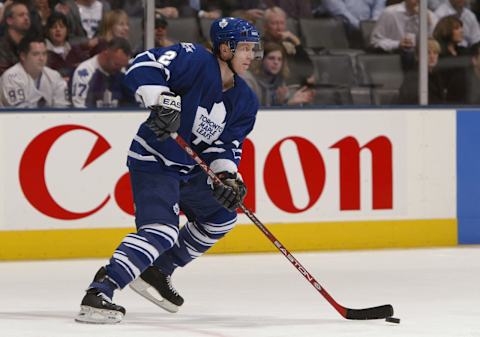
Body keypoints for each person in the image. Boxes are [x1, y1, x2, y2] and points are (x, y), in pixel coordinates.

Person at [75, 17, 262, 324]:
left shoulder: (245, 100)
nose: (251, 55)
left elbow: (225, 145)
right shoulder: (195, 59)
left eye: (254, 49)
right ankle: (101, 290)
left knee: (222, 217)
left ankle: (157, 269)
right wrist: (161, 99)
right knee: (161, 232)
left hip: (189, 170)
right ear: (224, 48)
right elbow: (143, 65)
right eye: (244, 48)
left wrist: (227, 176)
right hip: (154, 161)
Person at [0, 35, 70, 107]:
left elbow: (62, 109)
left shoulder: (54, 76)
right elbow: (20, 114)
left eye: (44, 54)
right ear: (23, 56)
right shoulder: (11, 77)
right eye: (35, 54)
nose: (41, 58)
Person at [243, 41, 314, 106]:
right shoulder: (248, 81)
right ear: (261, 60)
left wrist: (284, 103)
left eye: (279, 59)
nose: (276, 62)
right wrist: (288, 105)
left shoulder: (280, 82)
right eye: (271, 58)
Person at [70, 37, 134, 108]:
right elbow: (80, 107)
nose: (119, 69)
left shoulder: (123, 72)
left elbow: (134, 105)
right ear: (105, 53)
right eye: (116, 64)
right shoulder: (84, 72)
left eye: (122, 66)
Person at [262, 6, 314, 85]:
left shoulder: (289, 44)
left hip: (292, 86)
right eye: (274, 23)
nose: (279, 27)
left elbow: (308, 70)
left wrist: (297, 43)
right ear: (265, 26)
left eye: (282, 23)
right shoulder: (259, 45)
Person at [398, 38, 446, 104]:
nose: (432, 56)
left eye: (435, 53)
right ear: (418, 56)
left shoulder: (436, 75)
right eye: (428, 53)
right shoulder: (413, 77)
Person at [45, 11, 89, 81]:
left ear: (67, 30)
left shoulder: (76, 51)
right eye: (54, 27)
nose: (58, 30)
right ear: (48, 31)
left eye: (61, 27)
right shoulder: (43, 52)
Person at [0, 1, 32, 75]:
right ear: (9, 20)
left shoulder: (30, 45)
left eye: (27, 15)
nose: (26, 18)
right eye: (21, 15)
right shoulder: (2, 47)